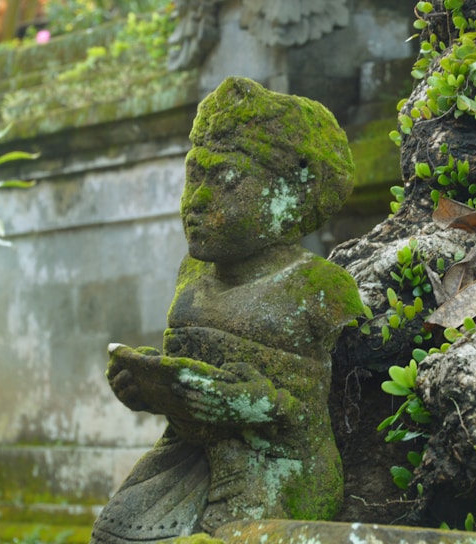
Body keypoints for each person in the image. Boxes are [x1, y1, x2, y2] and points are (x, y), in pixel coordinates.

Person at [91, 76, 361, 543]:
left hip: (280, 469)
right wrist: (148, 388)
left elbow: (312, 419)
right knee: (113, 532)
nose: (196, 201)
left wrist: (250, 404)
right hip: (187, 459)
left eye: (225, 181)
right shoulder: (192, 275)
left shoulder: (318, 288)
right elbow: (187, 386)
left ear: (295, 191)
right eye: (194, 176)